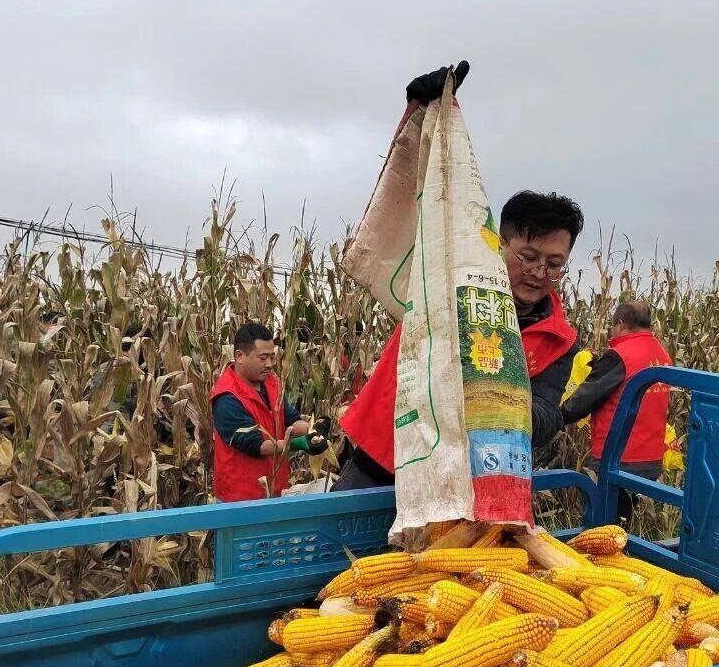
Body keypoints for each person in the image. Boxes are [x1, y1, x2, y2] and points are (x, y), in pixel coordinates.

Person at [334, 66, 583, 492]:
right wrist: (423, 113)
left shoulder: (560, 341)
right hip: (383, 456)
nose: (539, 273)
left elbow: (546, 415)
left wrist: (495, 399)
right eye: (527, 257)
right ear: (499, 244)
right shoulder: (446, 277)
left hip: (464, 482)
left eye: (554, 264)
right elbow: (419, 202)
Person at [562, 301, 672, 525]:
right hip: (650, 460)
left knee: (604, 525)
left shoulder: (620, 356)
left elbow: (584, 399)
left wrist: (557, 416)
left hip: (619, 459)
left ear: (620, 324)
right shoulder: (663, 355)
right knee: (623, 522)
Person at [210, 323, 318, 501]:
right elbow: (257, 446)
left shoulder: (270, 383)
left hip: (275, 489)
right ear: (240, 356)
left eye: (272, 357)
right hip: (240, 499)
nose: (270, 364)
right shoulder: (227, 398)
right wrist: (298, 444)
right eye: (263, 358)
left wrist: (313, 430)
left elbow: (291, 419)